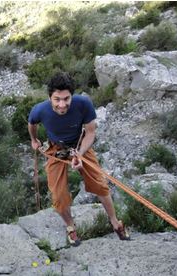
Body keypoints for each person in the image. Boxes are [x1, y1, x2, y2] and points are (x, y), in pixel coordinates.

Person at [28, 72, 130, 246]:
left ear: (72, 96)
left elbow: (90, 132)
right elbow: (32, 124)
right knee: (59, 195)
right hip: (56, 149)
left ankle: (114, 222)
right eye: (57, 99)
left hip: (79, 144)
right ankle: (70, 227)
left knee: (99, 184)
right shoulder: (40, 110)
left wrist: (80, 154)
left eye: (66, 99)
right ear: (50, 97)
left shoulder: (83, 104)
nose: (62, 104)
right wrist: (34, 140)